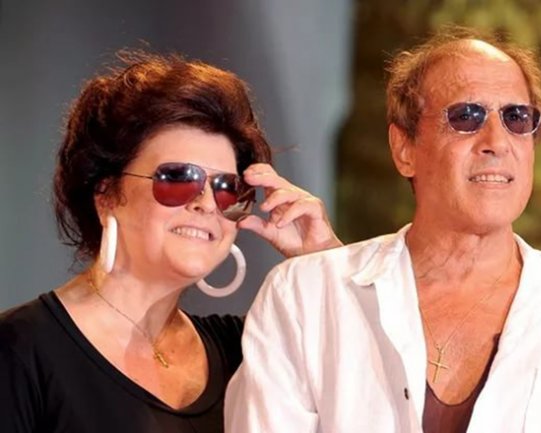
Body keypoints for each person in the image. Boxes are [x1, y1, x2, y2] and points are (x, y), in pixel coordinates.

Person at [225, 26, 541, 433]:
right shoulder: (304, 297)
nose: (497, 141)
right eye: (466, 116)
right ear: (404, 148)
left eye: (517, 118)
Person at [0, 52, 341, 433]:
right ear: (106, 194)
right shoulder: (19, 349)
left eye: (226, 188)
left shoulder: (248, 350)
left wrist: (327, 262)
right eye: (178, 178)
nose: (207, 203)